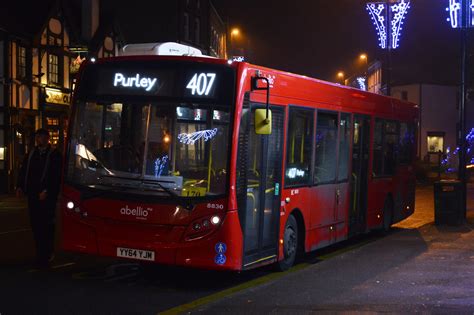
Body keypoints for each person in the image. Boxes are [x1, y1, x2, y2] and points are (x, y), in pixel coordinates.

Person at [16, 128, 62, 268]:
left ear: (47, 138)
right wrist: (20, 186)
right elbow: (24, 170)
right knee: (36, 224)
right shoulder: (32, 153)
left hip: (47, 196)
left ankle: (47, 252)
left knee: (47, 224)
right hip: (33, 194)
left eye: (42, 137)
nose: (40, 139)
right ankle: (40, 253)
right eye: (38, 137)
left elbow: (56, 176)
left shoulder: (54, 154)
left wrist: (47, 190)